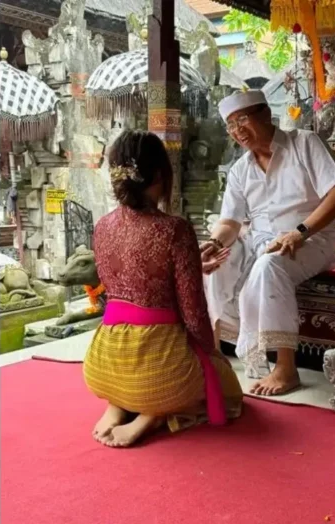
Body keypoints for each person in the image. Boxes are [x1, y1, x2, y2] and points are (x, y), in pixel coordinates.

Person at [84, 130, 243, 448]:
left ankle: (118, 404)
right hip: (159, 369)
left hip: (102, 362)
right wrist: (210, 354)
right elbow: (193, 311)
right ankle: (152, 415)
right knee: (224, 382)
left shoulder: (102, 226)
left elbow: (128, 282)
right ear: (160, 174)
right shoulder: (174, 229)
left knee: (135, 374)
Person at [202, 90, 335, 396]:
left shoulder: (304, 143)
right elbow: (230, 222)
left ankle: (286, 367)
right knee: (217, 264)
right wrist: (214, 243)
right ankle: (214, 355)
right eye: (230, 125)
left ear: (265, 114)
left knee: (269, 265)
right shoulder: (240, 169)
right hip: (260, 242)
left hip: (310, 240)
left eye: (242, 119)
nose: (237, 130)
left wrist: (300, 231)